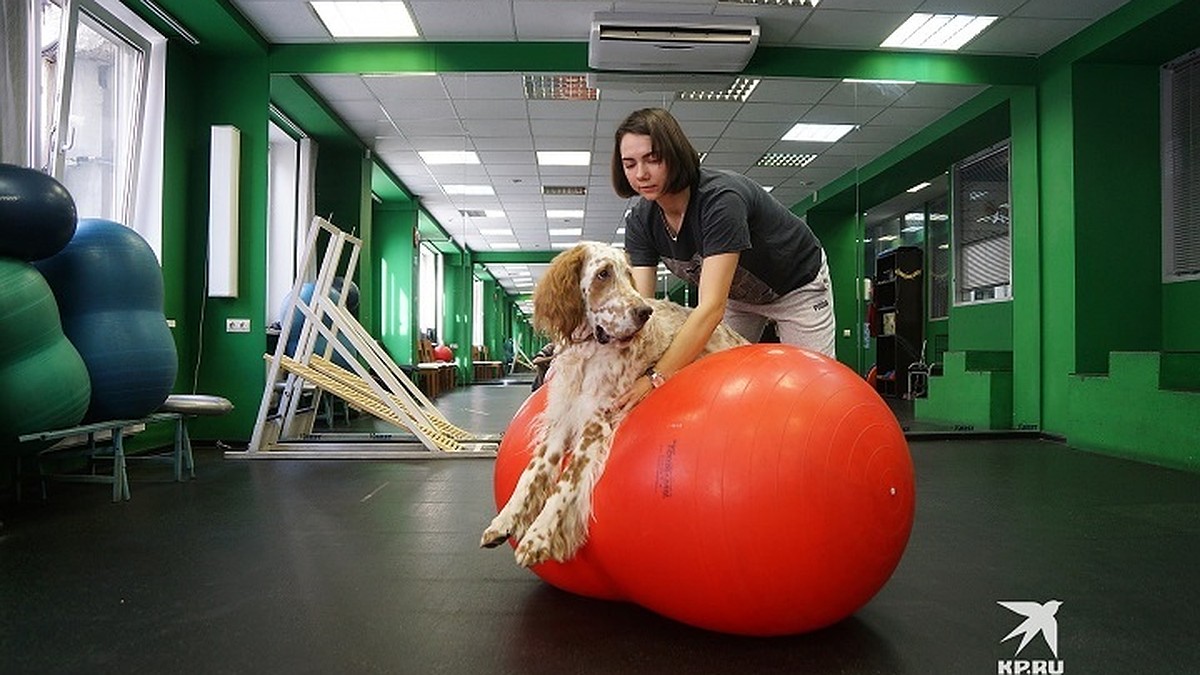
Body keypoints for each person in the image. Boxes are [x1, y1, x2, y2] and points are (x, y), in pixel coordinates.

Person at [612, 107, 835, 411]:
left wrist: (654, 377)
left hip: (796, 286)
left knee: (814, 389)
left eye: (653, 159)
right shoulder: (641, 220)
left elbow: (710, 308)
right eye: (630, 164)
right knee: (719, 381)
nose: (641, 174)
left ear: (675, 155)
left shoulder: (720, 201)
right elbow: (641, 308)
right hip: (737, 298)